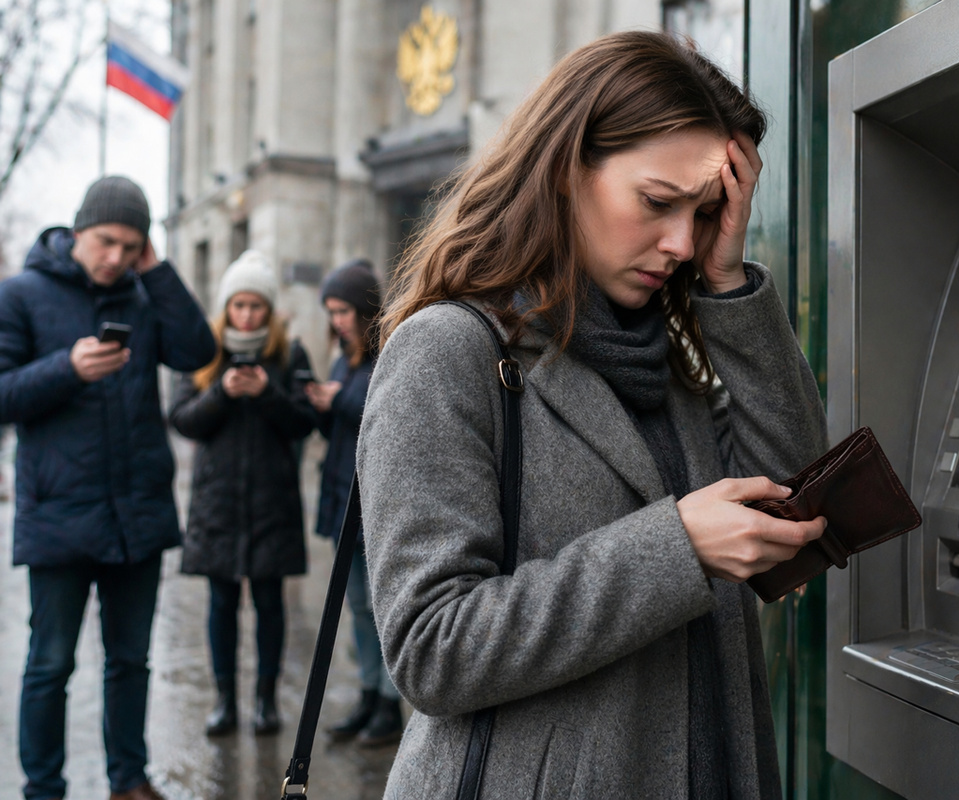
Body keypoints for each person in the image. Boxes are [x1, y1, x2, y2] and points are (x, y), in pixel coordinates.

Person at [357, 31, 829, 799]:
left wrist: (729, 279)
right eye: (657, 201)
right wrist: (677, 548)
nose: (680, 240)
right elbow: (429, 648)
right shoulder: (447, 351)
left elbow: (792, 493)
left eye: (704, 210)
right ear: (567, 169)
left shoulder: (666, 353)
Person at [0, 176, 216, 800]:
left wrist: (159, 271)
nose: (116, 256)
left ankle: (129, 779)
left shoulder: (143, 294)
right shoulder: (21, 294)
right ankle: (43, 788)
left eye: (131, 245)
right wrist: (65, 368)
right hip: (58, 517)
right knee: (50, 665)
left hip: (137, 516)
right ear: (76, 231)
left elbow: (197, 349)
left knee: (130, 662)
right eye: (106, 242)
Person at [168, 250, 317, 737]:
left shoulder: (289, 353)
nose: (247, 315)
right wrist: (223, 392)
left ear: (269, 310)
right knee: (221, 602)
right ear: (226, 306)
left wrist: (266, 394)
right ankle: (225, 701)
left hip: (272, 499)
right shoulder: (202, 352)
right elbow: (183, 419)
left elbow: (305, 421)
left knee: (271, 603)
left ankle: (266, 702)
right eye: (239, 305)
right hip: (219, 501)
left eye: (256, 306)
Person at [305, 258, 405, 747]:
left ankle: (389, 704)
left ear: (364, 309)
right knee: (358, 608)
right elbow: (340, 427)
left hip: (375, 501)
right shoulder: (343, 358)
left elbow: (382, 415)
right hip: (344, 495)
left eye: (343, 310)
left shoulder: (390, 350)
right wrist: (321, 406)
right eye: (331, 311)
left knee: (381, 608)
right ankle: (368, 694)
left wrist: (337, 400)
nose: (337, 320)